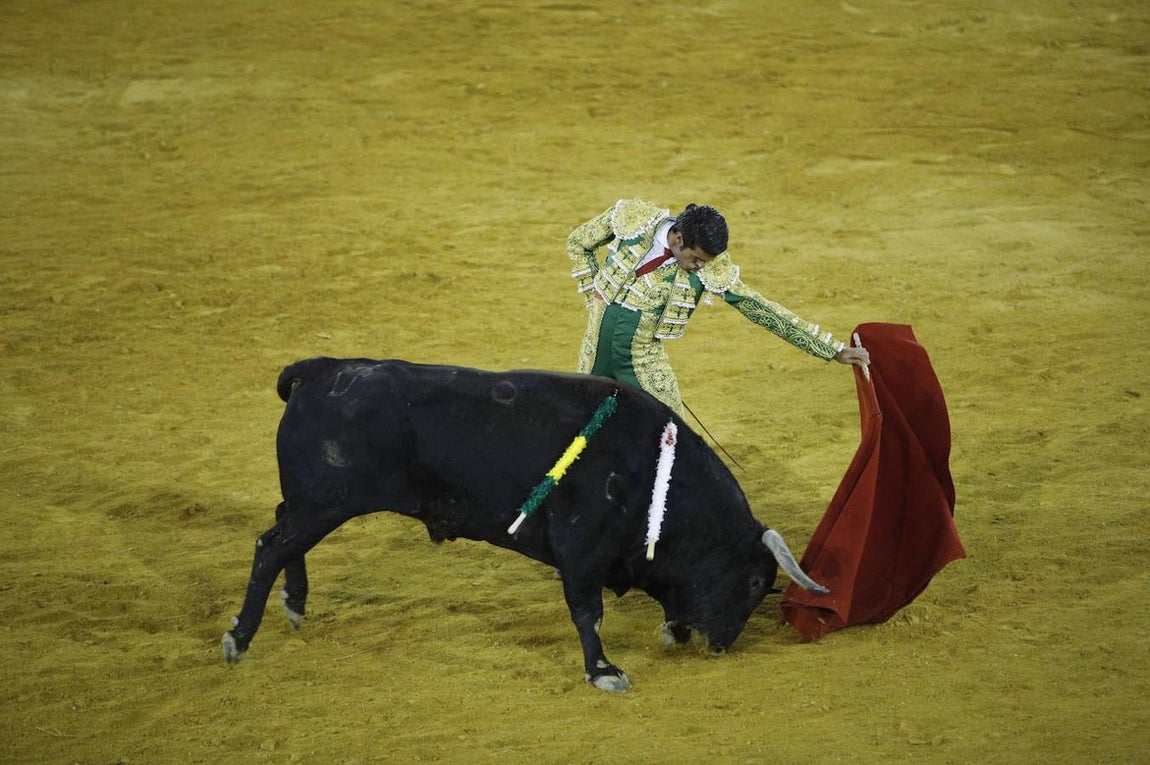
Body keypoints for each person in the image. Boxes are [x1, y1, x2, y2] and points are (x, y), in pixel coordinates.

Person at [566, 198, 870, 416]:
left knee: (673, 439)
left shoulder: (710, 269)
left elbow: (760, 308)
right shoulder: (633, 221)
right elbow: (579, 242)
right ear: (678, 238)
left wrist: (831, 348)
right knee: (576, 424)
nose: (699, 266)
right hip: (595, 350)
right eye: (696, 258)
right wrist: (594, 292)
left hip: (643, 362)